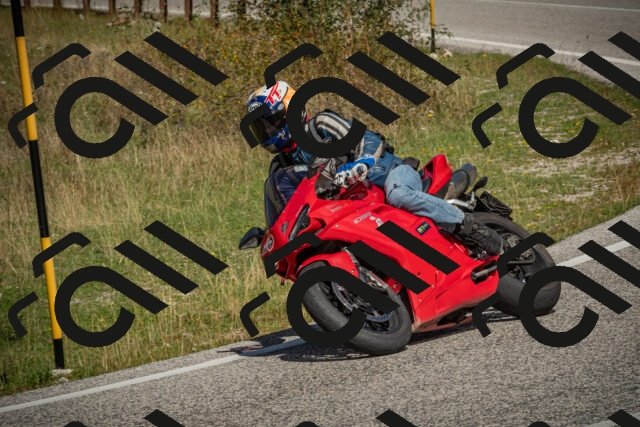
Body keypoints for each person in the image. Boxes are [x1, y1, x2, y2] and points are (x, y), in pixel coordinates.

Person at [246, 81, 503, 255]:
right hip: (354, 207)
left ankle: (468, 226)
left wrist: (362, 162)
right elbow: (289, 207)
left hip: (388, 174)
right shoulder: (280, 167)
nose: (268, 131)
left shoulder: (321, 124)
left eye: (271, 122)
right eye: (261, 128)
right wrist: (270, 232)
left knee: (398, 194)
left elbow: (367, 139)